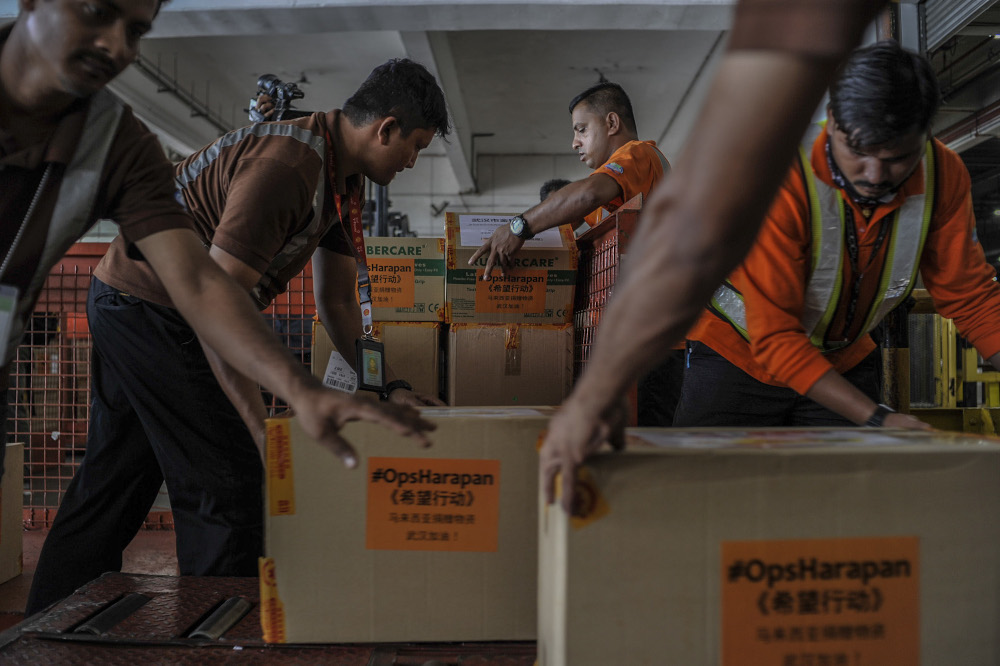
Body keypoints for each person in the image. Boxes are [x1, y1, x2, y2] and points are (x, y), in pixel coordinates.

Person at [26, 56, 449, 613]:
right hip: (154, 307)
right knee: (230, 484)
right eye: (415, 145)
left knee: (116, 476)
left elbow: (339, 301)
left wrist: (387, 384)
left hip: (137, 300)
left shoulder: (344, 185)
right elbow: (214, 308)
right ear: (385, 128)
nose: (413, 162)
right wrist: (258, 433)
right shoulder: (289, 166)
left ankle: (51, 617)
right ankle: (221, 636)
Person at [539, 0, 890, 513]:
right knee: (716, 500)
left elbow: (688, 241)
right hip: (739, 349)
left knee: (822, 510)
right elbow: (692, 248)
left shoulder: (635, 157)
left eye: (581, 130)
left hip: (820, 354)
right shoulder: (783, 158)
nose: (879, 177)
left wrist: (521, 224)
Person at [673, 41, 987, 430]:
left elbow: (971, 296)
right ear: (833, 121)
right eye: (858, 151)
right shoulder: (780, 172)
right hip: (738, 356)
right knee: (711, 485)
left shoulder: (943, 174)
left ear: (924, 136)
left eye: (897, 159)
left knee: (847, 486)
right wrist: (876, 417)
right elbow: (775, 335)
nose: (875, 176)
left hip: (840, 360)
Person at [470, 81, 670, 278]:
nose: (575, 143)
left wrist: (519, 227)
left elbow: (587, 195)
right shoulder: (614, 190)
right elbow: (569, 216)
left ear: (612, 123)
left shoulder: (638, 153)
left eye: (581, 129)